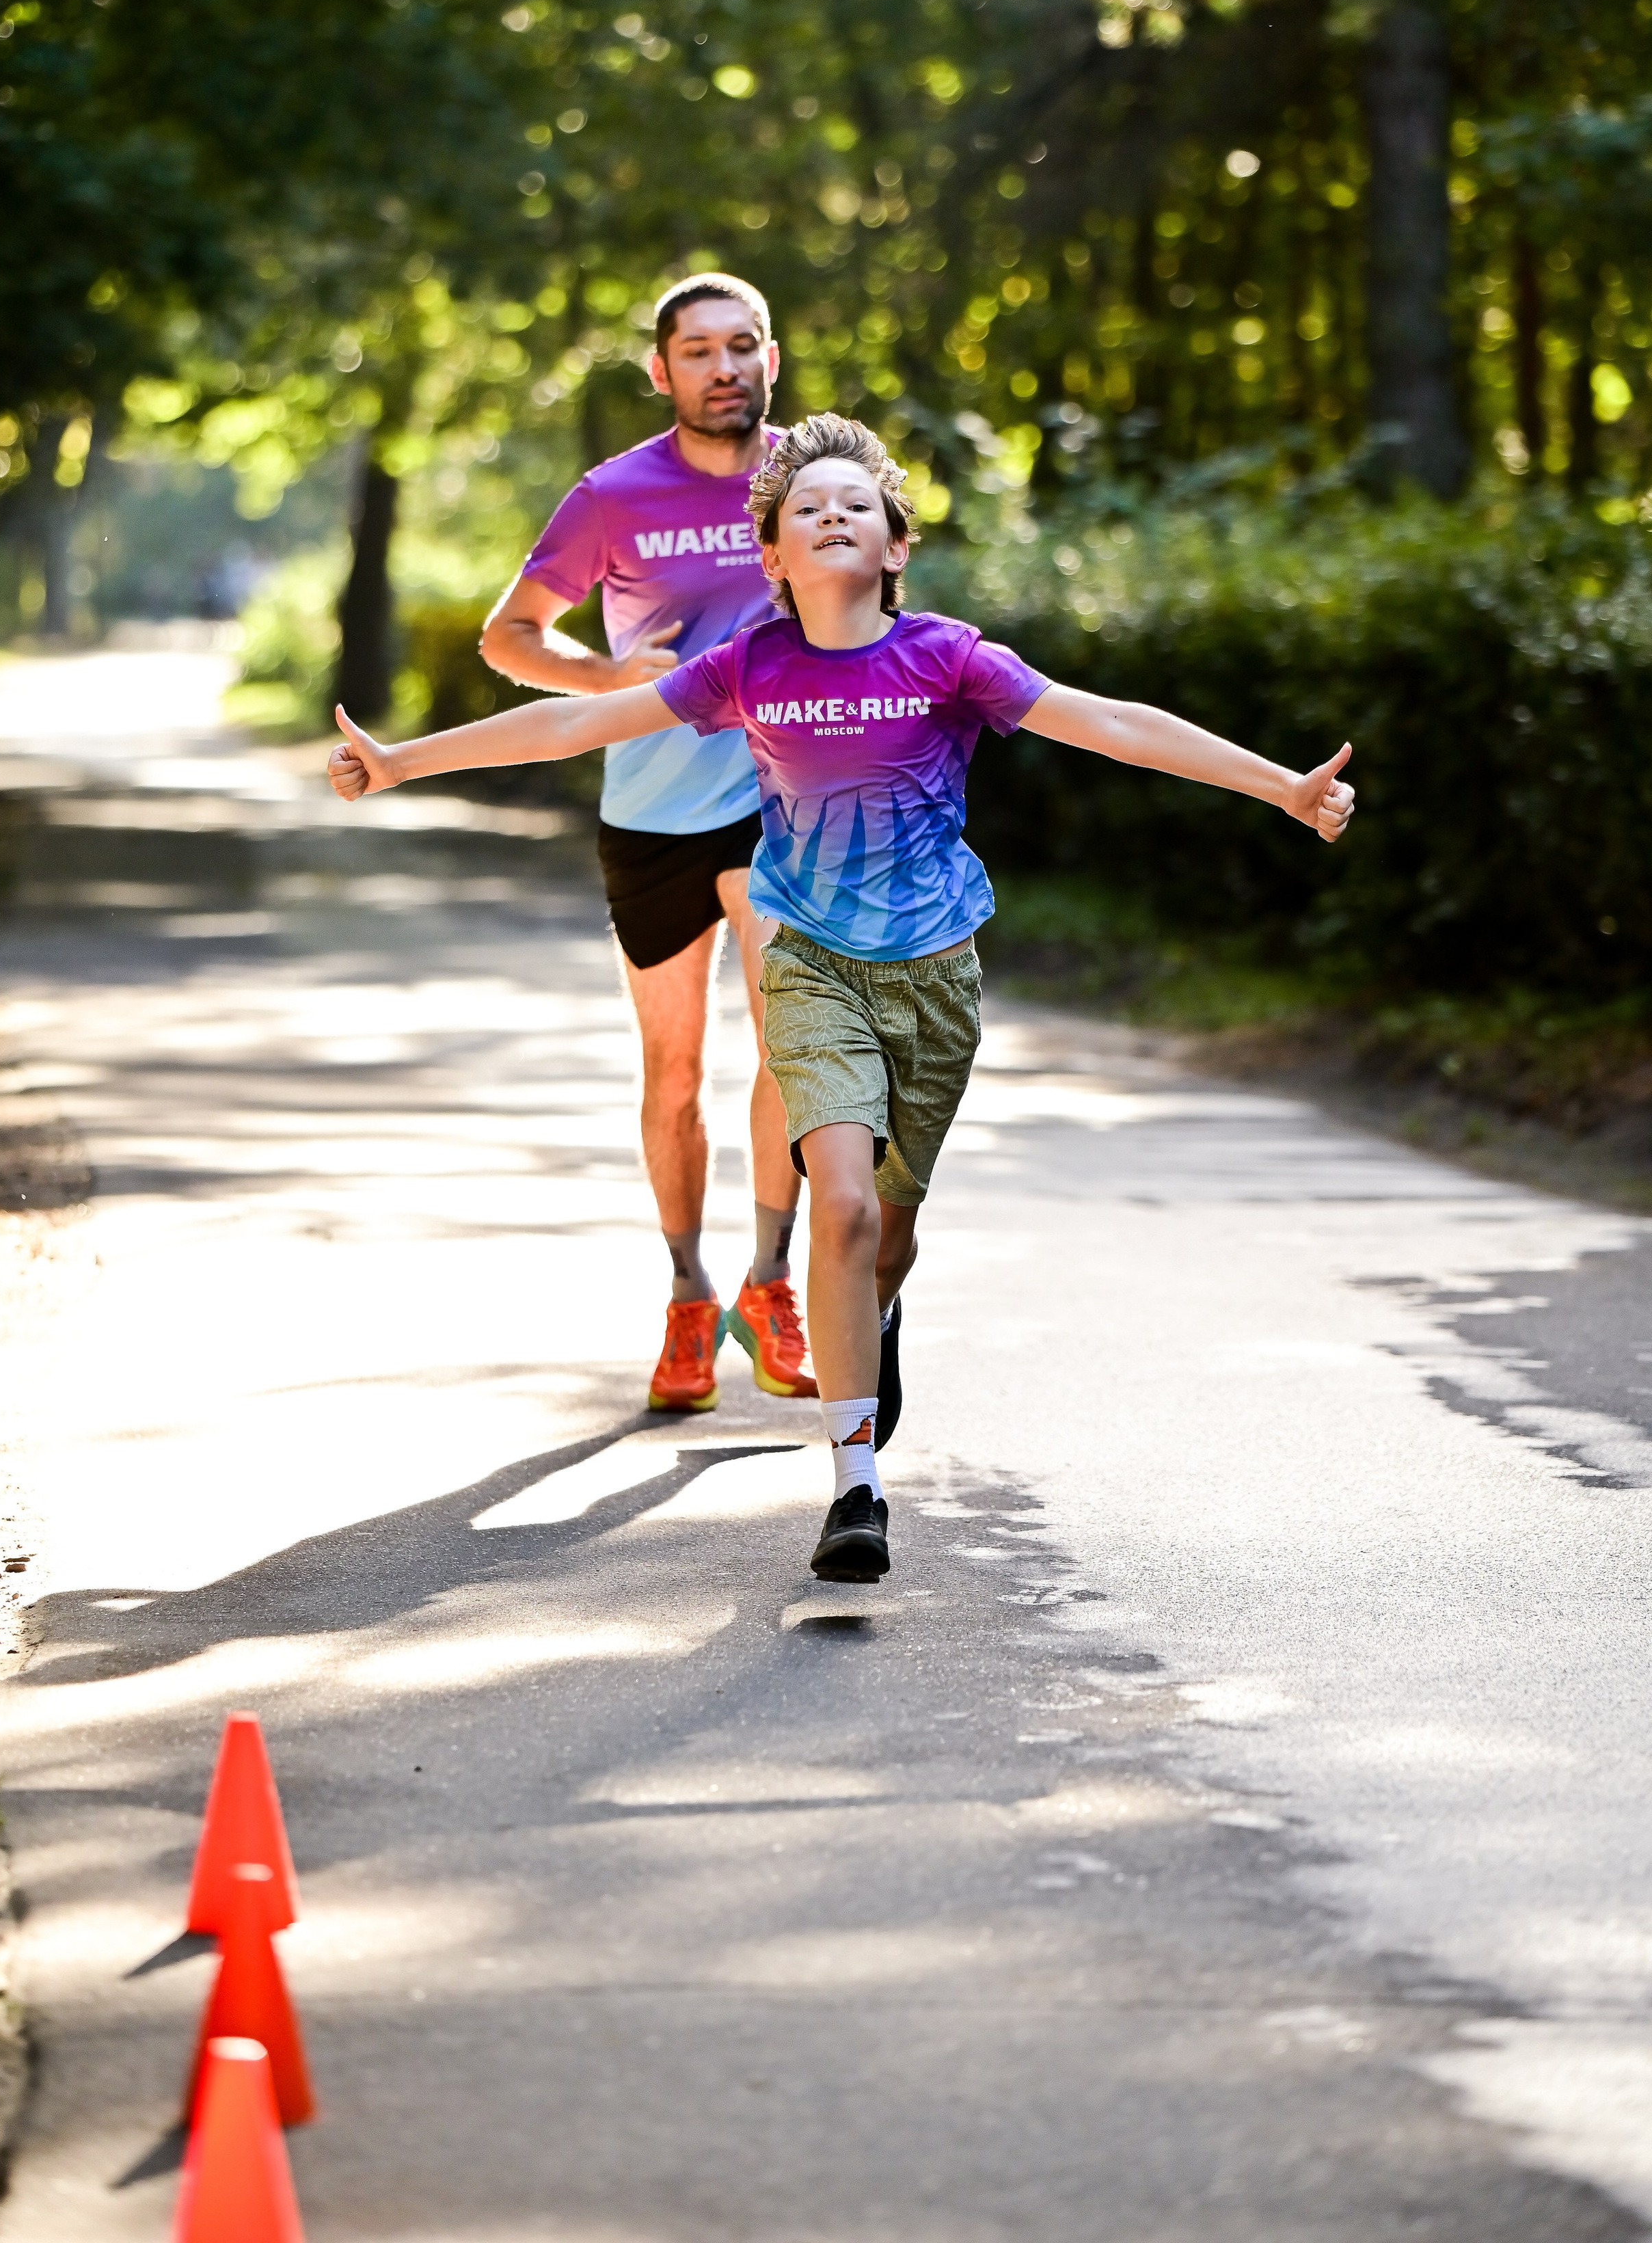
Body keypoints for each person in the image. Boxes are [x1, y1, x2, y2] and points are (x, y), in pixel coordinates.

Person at [330, 412, 1357, 1585]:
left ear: (894, 545)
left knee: (888, 1237)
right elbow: (574, 720)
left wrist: (1281, 787)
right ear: (771, 554)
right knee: (847, 1208)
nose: (830, 516)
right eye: (805, 507)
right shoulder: (748, 666)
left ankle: (877, 1318)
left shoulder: (950, 658)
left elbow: (1113, 725)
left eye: (854, 504)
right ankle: (854, 1487)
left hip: (934, 975)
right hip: (809, 962)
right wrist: (403, 760)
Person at [478, 272, 811, 1416]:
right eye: (698, 351)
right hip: (653, 812)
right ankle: (687, 1293)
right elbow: (510, 636)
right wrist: (608, 677)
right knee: (674, 1072)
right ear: (662, 371)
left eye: (742, 345)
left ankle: (771, 1281)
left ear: (771, 359)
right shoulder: (614, 495)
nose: (724, 368)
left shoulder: (814, 479)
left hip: (782, 805)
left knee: (791, 1043)